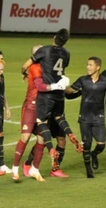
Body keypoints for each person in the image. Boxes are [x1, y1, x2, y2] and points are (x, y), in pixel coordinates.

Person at [21, 29, 82, 179]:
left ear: (54, 37)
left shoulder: (44, 51)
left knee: (54, 136)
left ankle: (55, 168)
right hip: (58, 94)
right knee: (47, 134)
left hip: (49, 97)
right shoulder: (66, 54)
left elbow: (25, 66)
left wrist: (24, 72)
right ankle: (28, 163)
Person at [12, 45, 70, 181]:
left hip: (43, 106)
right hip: (31, 106)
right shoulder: (35, 67)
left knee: (42, 140)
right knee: (25, 137)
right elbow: (40, 87)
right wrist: (57, 85)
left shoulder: (47, 68)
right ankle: (15, 169)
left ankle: (35, 169)